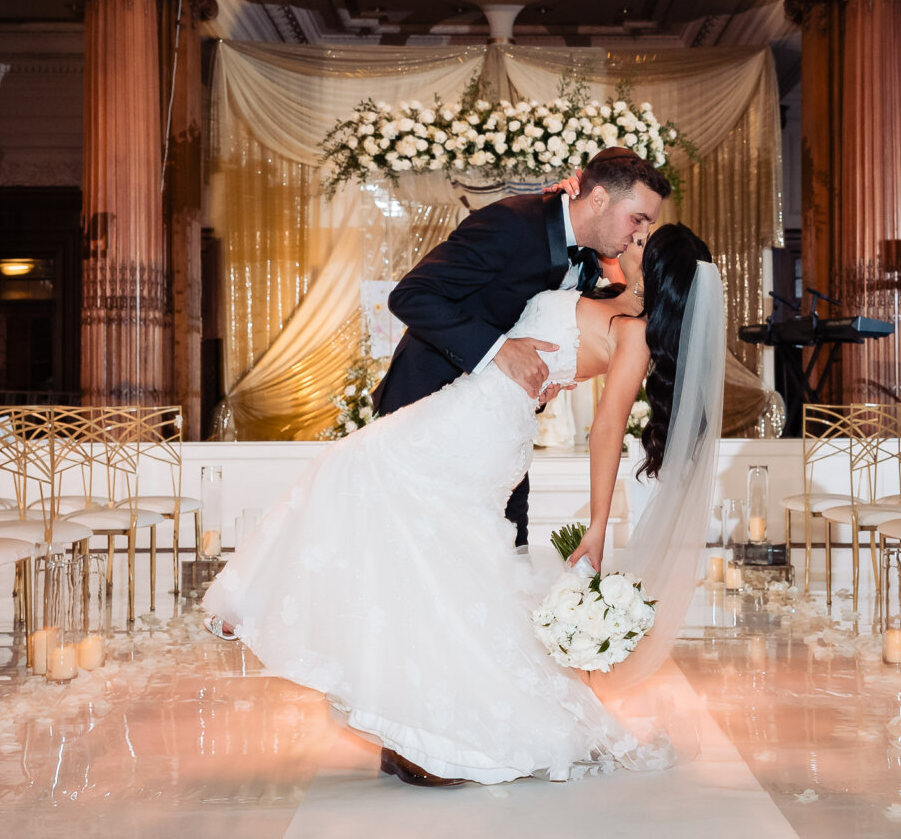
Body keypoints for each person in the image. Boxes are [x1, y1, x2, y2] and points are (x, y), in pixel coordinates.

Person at [202, 222, 719, 787]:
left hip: (484, 431)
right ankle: (411, 709)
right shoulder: (603, 294)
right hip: (467, 408)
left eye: (644, 242)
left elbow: (606, 429)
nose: (630, 240)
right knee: (412, 530)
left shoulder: (635, 331)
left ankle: (254, 603)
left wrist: (597, 524)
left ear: (660, 271)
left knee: (361, 473)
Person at [373, 146, 670, 547]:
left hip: (498, 430)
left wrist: (539, 387)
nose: (638, 234)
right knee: (417, 553)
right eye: (637, 219)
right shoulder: (511, 222)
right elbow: (410, 295)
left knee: (510, 546)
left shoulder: (588, 263)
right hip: (427, 407)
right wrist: (500, 350)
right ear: (598, 199)